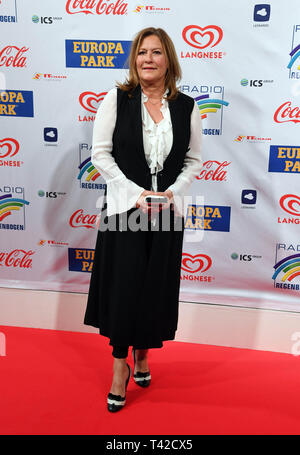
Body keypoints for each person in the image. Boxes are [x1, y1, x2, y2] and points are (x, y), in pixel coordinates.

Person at [83, 27, 203, 412]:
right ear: (134, 61)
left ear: (169, 60)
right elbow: (100, 154)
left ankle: (144, 355)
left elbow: (193, 161)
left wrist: (172, 193)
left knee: (154, 287)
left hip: (167, 213)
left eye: (155, 52)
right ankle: (119, 369)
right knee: (124, 290)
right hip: (124, 212)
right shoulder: (117, 99)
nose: (147, 59)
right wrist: (136, 194)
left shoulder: (187, 106)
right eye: (141, 53)